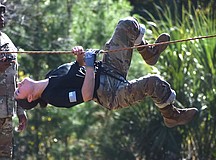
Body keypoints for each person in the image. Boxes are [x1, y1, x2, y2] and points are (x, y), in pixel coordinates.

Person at [15, 17, 198, 128]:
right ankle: (171, 115)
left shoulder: (51, 75)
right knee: (153, 83)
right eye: (18, 91)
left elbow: (76, 68)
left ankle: (148, 53)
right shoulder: (54, 97)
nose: (18, 85)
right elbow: (86, 95)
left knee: (127, 24)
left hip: (108, 69)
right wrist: (88, 64)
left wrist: (80, 56)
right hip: (111, 94)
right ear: (30, 98)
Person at [0, 3, 27, 159]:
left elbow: (14, 79)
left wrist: (21, 110)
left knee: (5, 155)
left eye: (2, 13)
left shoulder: (6, 39)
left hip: (7, 112)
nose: (1, 17)